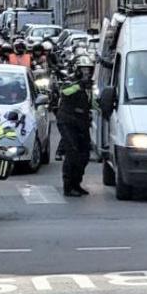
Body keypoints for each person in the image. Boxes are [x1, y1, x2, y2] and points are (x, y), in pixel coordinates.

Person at [58, 54, 94, 197]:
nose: (87, 72)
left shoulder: (90, 85)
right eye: (83, 69)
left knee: (84, 154)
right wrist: (79, 85)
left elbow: (94, 102)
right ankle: (68, 186)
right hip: (68, 121)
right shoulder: (70, 82)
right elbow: (64, 92)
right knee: (72, 152)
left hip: (82, 122)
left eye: (89, 69)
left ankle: (77, 183)